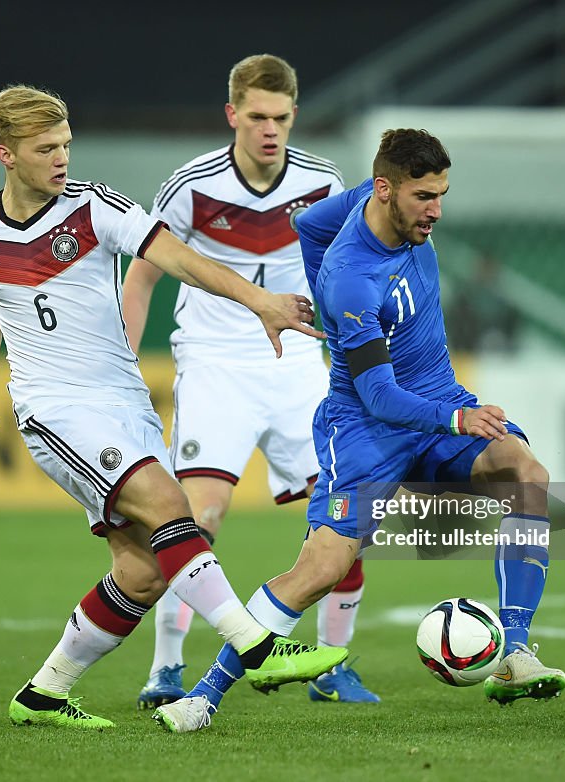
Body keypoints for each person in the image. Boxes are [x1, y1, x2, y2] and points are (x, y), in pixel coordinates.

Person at [0, 84, 349, 731]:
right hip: (55, 409)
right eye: (45, 148)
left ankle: (43, 694)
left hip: (124, 402)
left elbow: (182, 261)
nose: (61, 159)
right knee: (171, 507)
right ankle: (259, 646)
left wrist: (261, 301)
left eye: (66, 145)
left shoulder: (96, 208)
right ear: (5, 153)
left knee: (141, 573)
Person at [154, 128, 565, 733]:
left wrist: (451, 411)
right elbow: (378, 394)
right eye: (424, 196)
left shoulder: (361, 209)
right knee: (319, 570)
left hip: (437, 404)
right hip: (367, 430)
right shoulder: (353, 280)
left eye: (442, 194)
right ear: (386, 190)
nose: (437, 211)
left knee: (526, 472)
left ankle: (515, 654)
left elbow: (307, 226)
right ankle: (203, 695)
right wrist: (458, 418)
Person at [122, 54, 379, 709]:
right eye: (258, 116)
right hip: (216, 364)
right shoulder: (190, 186)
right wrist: (125, 365)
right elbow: (143, 277)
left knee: (346, 519)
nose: (271, 129)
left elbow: (351, 272)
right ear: (232, 114)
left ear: (295, 115)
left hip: (299, 366)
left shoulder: (324, 183)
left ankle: (333, 667)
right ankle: (167, 668)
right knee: (195, 519)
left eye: (282, 117)